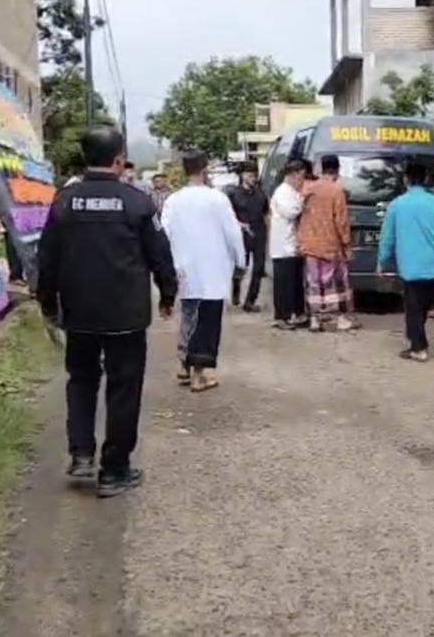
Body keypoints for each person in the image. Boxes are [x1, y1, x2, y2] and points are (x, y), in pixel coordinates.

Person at [36, 126, 178, 498]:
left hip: (79, 314)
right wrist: (168, 293)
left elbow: (46, 259)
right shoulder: (136, 202)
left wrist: (48, 303)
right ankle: (114, 471)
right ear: (118, 159)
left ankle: (81, 452)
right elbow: (159, 254)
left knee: (81, 381)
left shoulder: (64, 202)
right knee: (123, 389)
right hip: (125, 318)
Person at [161, 151, 246, 392]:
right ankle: (199, 375)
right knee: (207, 322)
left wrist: (168, 267)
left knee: (188, 316)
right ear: (204, 169)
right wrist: (241, 261)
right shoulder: (216, 199)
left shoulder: (173, 200)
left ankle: (183, 365)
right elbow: (232, 233)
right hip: (212, 271)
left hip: (185, 270)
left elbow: (164, 235)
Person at [377, 163, 434, 362]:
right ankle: (416, 339)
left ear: (405, 179)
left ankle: (418, 347)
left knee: (413, 306)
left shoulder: (397, 204)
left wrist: (382, 261)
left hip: (411, 265)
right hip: (433, 263)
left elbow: (387, 237)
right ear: (425, 179)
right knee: (422, 306)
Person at [298, 154, 358, 333]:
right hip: (331, 245)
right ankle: (339, 320)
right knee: (335, 283)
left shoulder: (308, 189)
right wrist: (347, 245)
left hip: (310, 244)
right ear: (337, 169)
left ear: (321, 168)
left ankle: (315, 319)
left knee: (314, 283)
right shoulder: (336, 190)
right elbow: (341, 221)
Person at [270, 159, 309, 330]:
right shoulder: (282, 192)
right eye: (301, 176)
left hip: (292, 245)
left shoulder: (292, 191)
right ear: (293, 175)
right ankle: (282, 317)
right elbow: (290, 212)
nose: (302, 181)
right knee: (284, 285)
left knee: (295, 283)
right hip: (283, 246)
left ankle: (298, 313)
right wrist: (303, 202)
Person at [227, 164, 269, 312]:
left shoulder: (261, 194)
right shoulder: (234, 194)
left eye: (255, 176)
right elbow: (227, 216)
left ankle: (250, 301)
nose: (253, 179)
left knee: (258, 268)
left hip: (259, 233)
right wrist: (238, 224)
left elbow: (265, 213)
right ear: (243, 176)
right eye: (250, 176)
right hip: (241, 235)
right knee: (241, 265)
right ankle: (236, 286)